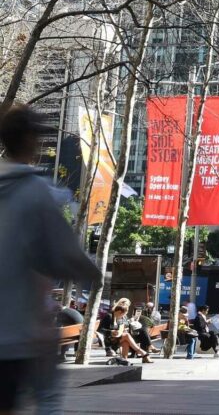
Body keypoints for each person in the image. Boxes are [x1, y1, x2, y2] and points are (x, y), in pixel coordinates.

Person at [0, 104, 104, 415]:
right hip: (20, 332)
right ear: (30, 140)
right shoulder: (34, 191)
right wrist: (93, 273)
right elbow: (64, 253)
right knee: (46, 398)